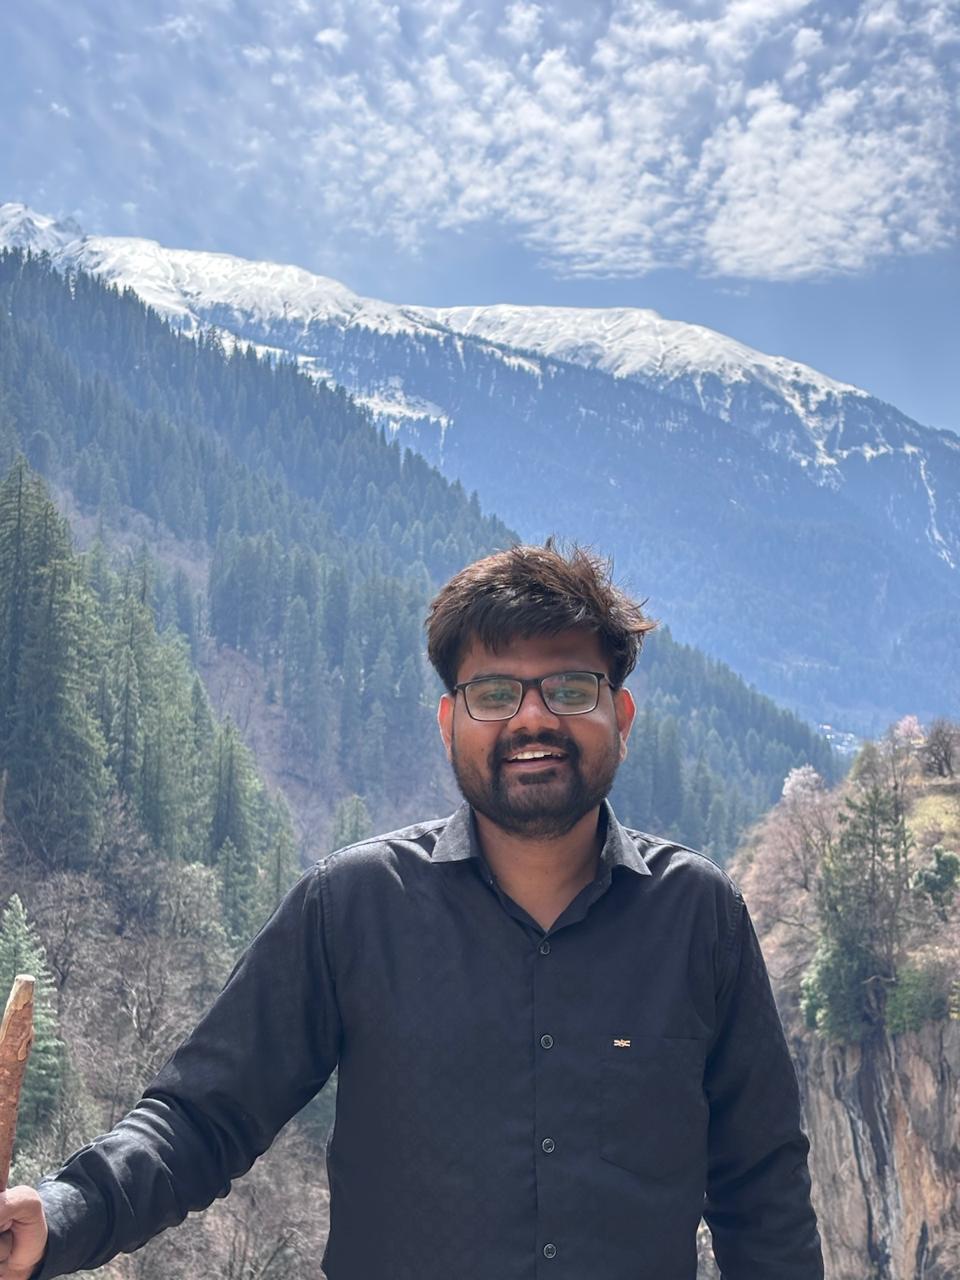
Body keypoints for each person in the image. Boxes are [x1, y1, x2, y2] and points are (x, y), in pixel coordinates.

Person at [0, 543, 824, 1280]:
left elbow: (764, 1194)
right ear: (449, 722)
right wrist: (61, 1216)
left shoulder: (697, 918)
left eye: (571, 688)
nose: (533, 717)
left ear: (622, 716)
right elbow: (202, 1118)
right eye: (494, 692)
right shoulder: (353, 908)